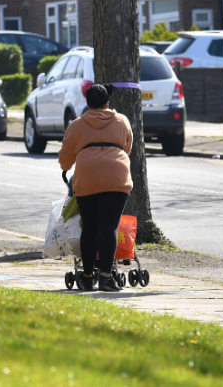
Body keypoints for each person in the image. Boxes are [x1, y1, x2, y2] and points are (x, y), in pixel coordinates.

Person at [58, 83, 133, 292]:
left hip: (87, 177)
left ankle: (88, 276)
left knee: (90, 227)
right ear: (107, 103)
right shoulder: (122, 121)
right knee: (109, 227)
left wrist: (66, 167)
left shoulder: (77, 125)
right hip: (116, 177)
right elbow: (128, 147)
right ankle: (107, 278)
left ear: (88, 103)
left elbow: (65, 159)